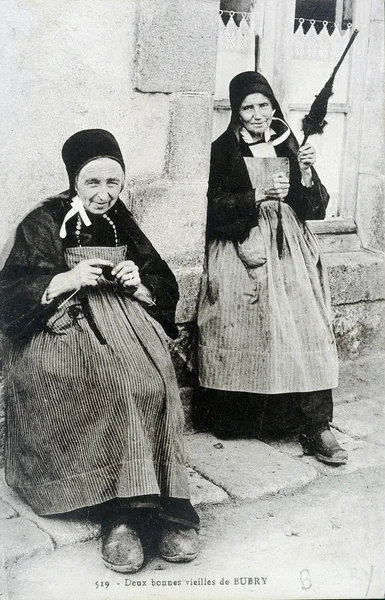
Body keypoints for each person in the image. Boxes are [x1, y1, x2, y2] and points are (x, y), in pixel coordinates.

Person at [0, 129, 199, 573]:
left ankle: (165, 502)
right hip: (60, 332)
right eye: (93, 183)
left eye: (114, 183)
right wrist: (64, 279)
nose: (104, 193)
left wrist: (138, 280)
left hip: (123, 322)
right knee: (111, 384)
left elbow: (161, 278)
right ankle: (121, 514)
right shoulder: (43, 221)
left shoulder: (121, 219)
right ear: (74, 181)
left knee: (155, 378)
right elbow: (8, 293)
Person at [194, 71, 348, 466]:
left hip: (290, 249)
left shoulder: (287, 141)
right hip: (241, 246)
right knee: (248, 321)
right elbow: (208, 212)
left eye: (264, 105)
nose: (258, 114)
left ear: (273, 106)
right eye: (248, 107)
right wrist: (256, 195)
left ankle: (316, 425)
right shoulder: (222, 149)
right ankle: (248, 420)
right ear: (236, 111)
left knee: (304, 321)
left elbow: (314, 208)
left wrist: (307, 172)